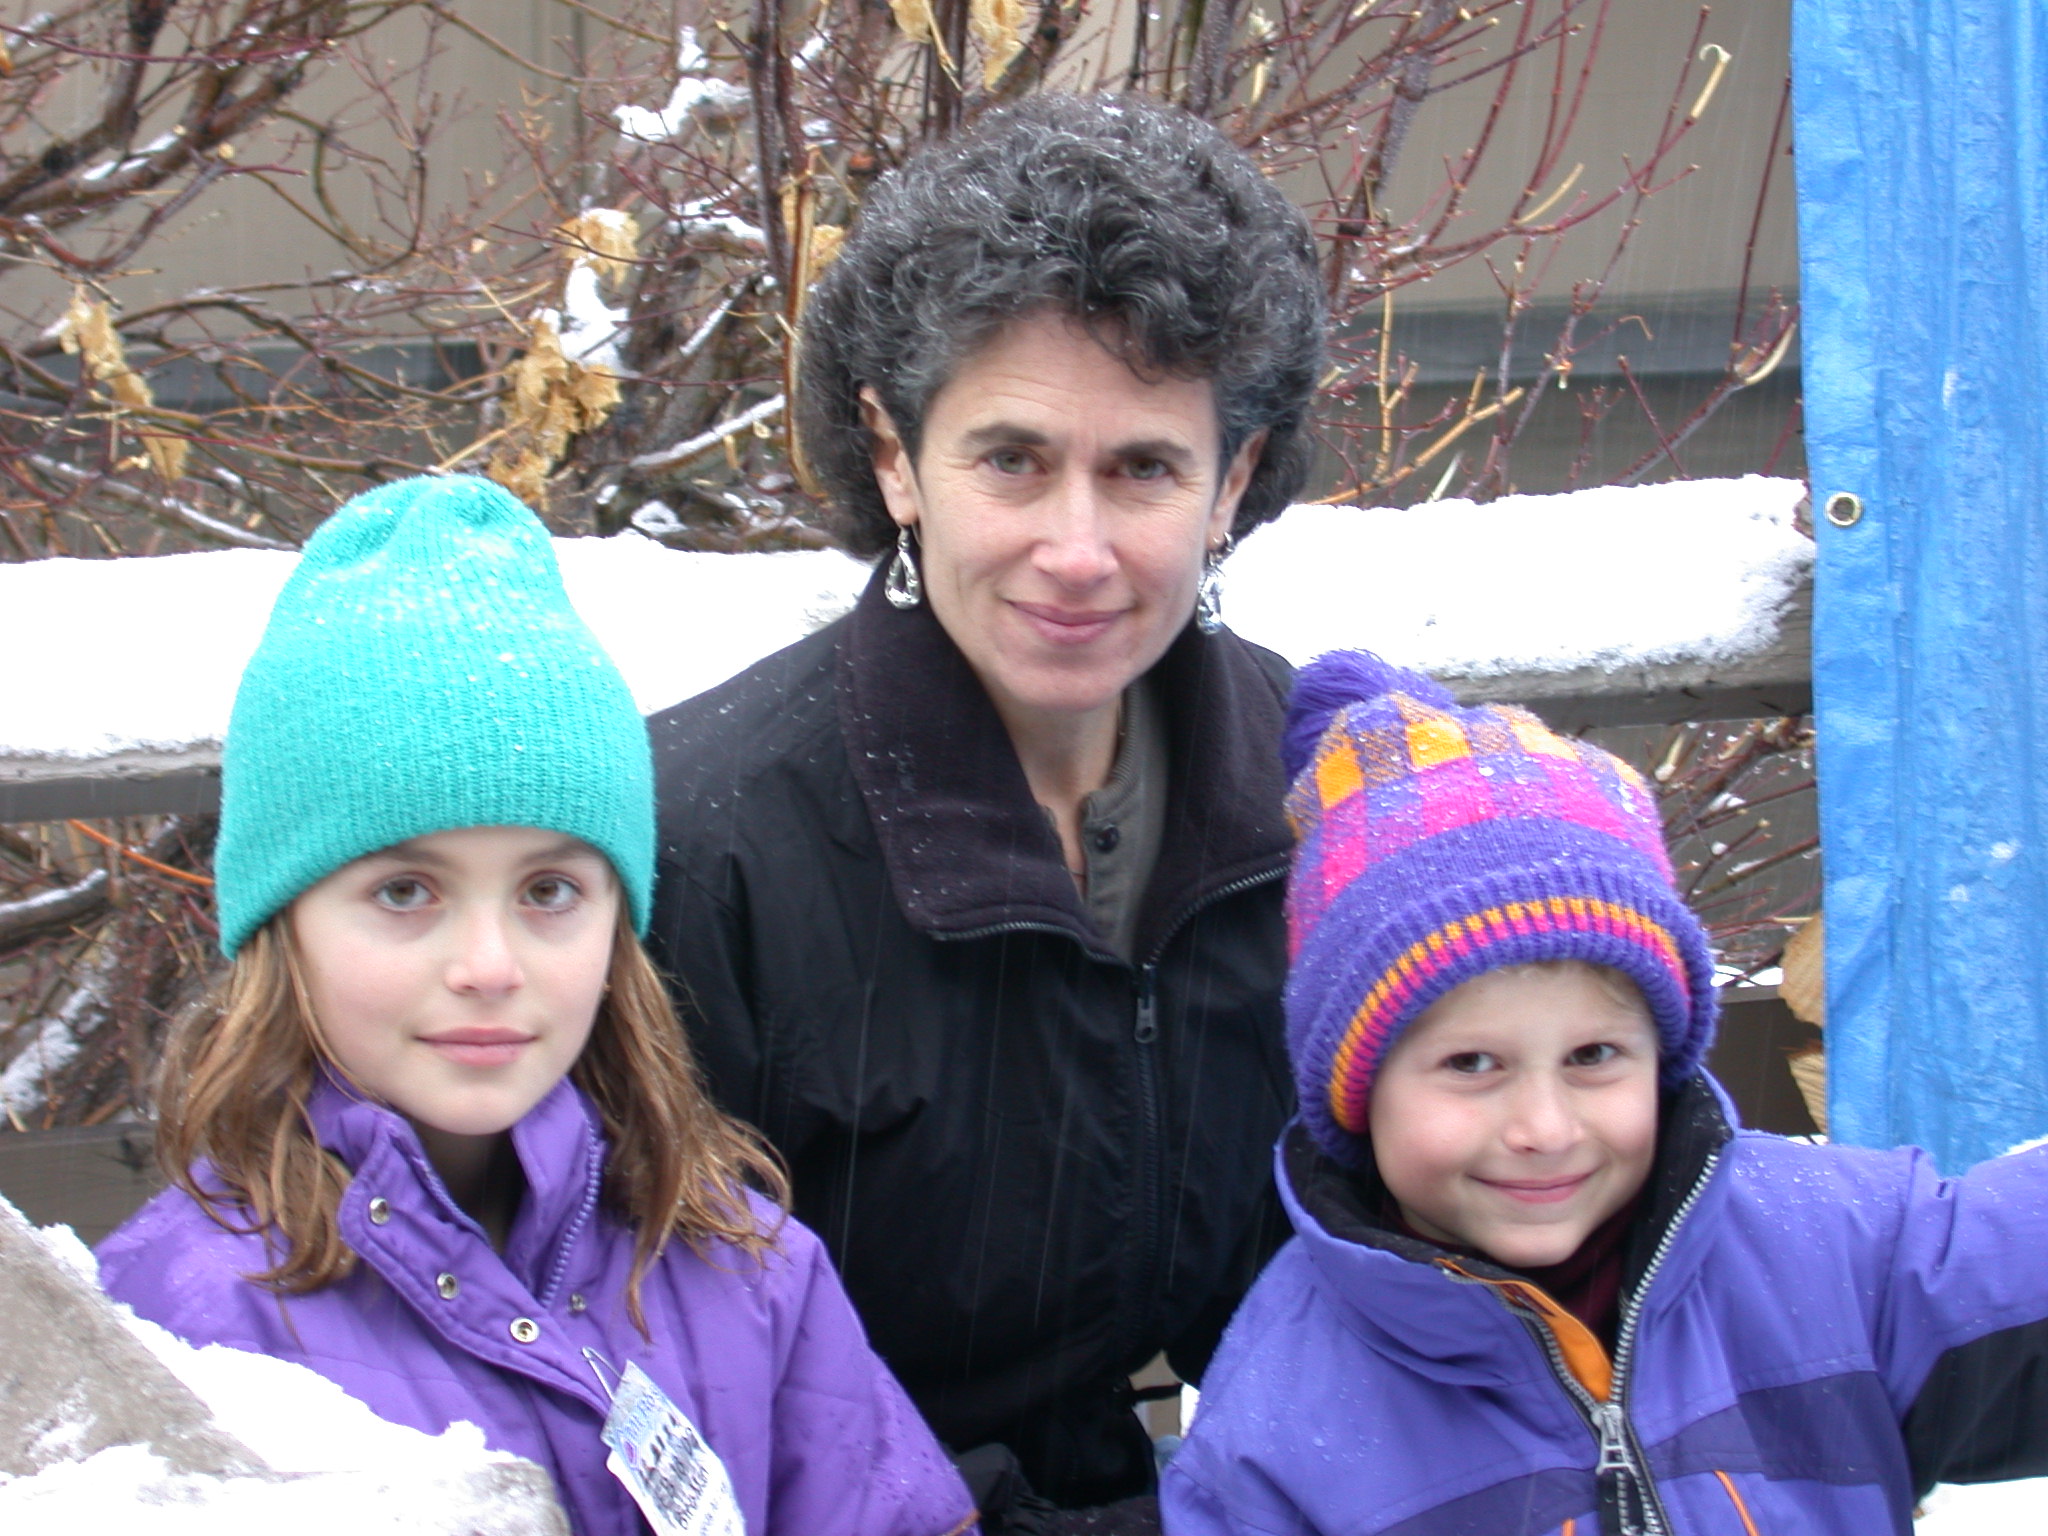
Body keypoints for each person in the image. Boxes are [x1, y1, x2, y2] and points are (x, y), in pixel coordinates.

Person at [646, 94, 1326, 1523]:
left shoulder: (1318, 790)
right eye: (1012, 459)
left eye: (1144, 468)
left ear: (1235, 480)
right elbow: (650, 1380)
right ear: (894, 454)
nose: (1075, 551)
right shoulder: (704, 852)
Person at [96, 475, 977, 1536]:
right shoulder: (172, 1331)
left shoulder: (747, 1270)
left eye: (548, 892)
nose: (488, 965)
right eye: (405, 892)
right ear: (283, 927)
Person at [1161, 650, 2048, 1536]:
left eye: (1593, 1055)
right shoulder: (1279, 1426)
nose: (1545, 1128)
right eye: (1471, 1064)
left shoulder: (1836, 1247)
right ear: (1356, 1092)